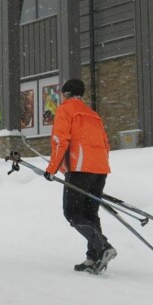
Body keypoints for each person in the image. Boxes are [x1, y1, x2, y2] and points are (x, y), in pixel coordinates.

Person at [44, 79, 116, 275]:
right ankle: (93, 258)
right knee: (90, 214)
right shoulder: (93, 114)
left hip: (79, 169)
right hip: (100, 169)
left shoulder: (66, 110)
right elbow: (106, 144)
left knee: (73, 213)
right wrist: (98, 166)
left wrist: (52, 168)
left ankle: (102, 246)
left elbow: (60, 141)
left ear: (66, 93)